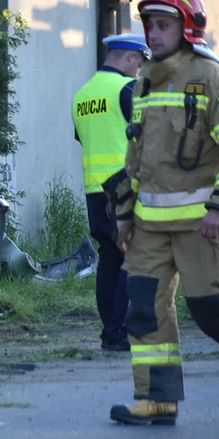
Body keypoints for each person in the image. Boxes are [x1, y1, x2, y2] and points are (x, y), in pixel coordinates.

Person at [108, 0, 219, 426]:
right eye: (150, 26)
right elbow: (135, 156)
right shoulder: (143, 80)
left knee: (214, 313)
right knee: (143, 310)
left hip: (202, 224)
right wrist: (125, 218)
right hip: (148, 227)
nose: (153, 35)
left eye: (163, 25)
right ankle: (156, 399)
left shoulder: (214, 78)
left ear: (188, 28)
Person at [71, 32, 151, 352]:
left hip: (94, 189)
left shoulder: (82, 94)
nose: (140, 71)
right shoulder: (127, 89)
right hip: (125, 189)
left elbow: (83, 139)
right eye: (140, 63)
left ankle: (111, 331)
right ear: (130, 57)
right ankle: (118, 335)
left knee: (109, 259)